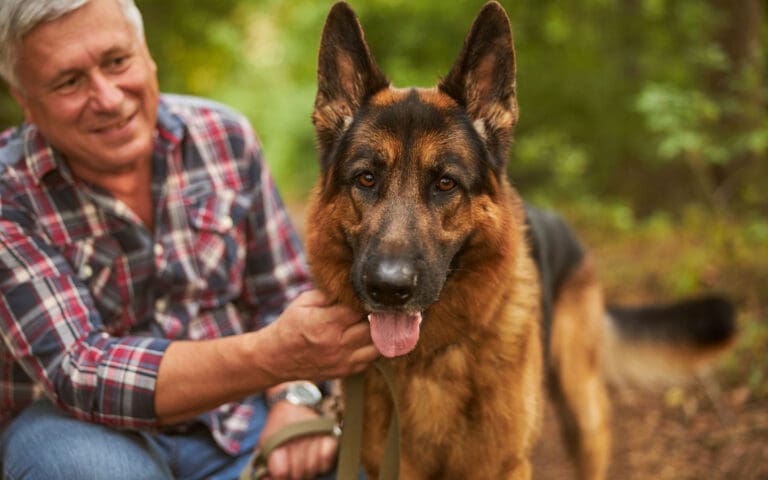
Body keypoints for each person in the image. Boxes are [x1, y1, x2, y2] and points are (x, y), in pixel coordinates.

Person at [0, 0, 378, 478]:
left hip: (240, 417)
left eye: (118, 62)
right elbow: (81, 371)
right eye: (69, 82)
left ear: (146, 54)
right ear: (25, 99)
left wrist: (295, 396)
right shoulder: (9, 195)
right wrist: (272, 358)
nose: (109, 97)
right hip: (77, 428)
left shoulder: (224, 138)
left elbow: (283, 295)